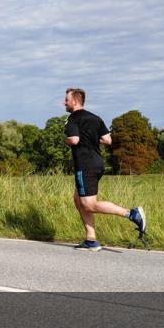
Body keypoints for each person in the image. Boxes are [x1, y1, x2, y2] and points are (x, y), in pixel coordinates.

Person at [63, 88, 147, 251]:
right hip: (97, 163)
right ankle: (91, 239)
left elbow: (74, 140)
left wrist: (66, 139)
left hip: (85, 164)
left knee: (88, 204)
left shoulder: (72, 118)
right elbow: (107, 140)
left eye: (66, 99)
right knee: (77, 199)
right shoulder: (95, 118)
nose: (64, 102)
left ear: (75, 101)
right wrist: (91, 139)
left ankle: (132, 214)